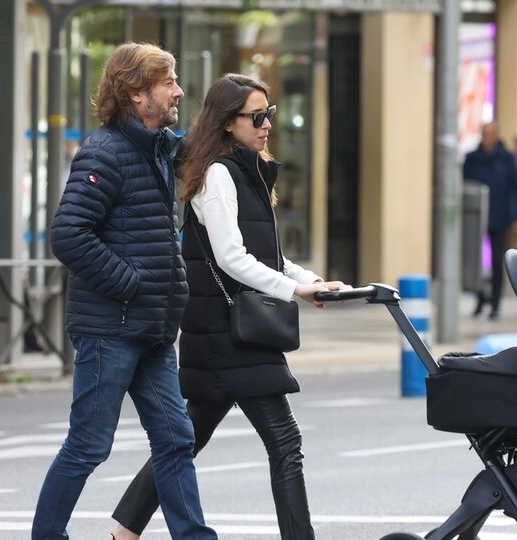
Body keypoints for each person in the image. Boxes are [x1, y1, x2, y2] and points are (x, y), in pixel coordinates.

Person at [110, 73, 349, 540]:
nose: (266, 125)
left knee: (187, 441)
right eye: (256, 117)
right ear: (226, 122)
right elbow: (231, 257)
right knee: (285, 441)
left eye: (269, 114)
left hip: (229, 330)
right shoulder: (219, 173)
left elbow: (267, 255)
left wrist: (310, 281)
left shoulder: (249, 170)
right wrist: (292, 290)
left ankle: (123, 532)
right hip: (229, 332)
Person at [32, 43, 217, 540]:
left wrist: (233, 115)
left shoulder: (157, 147)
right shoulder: (105, 152)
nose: (178, 91)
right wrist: (130, 283)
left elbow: (203, 149)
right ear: (136, 93)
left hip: (151, 327)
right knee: (89, 445)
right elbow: (68, 235)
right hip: (110, 329)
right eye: (168, 83)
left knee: (177, 440)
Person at [463, 122, 517, 320]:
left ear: (496, 136)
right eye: (484, 134)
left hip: (500, 216)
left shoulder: (506, 159)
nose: (487, 137)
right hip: (475, 217)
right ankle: (480, 299)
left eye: (490, 134)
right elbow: (465, 185)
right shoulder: (472, 159)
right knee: (475, 261)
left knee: (498, 261)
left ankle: (495, 303)